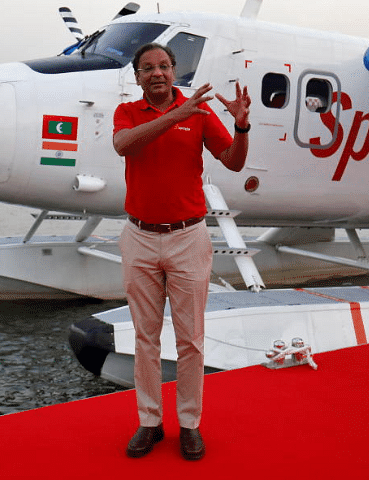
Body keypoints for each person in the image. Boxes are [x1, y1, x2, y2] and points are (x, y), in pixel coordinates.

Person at [112, 42, 250, 461]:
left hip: (188, 237)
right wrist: (176, 116)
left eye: (165, 66)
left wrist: (242, 128)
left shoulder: (201, 113)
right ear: (137, 77)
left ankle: (189, 424)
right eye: (148, 68)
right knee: (146, 337)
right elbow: (124, 145)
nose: (157, 73)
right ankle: (150, 422)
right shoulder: (129, 113)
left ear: (175, 72)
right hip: (139, 236)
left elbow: (233, 161)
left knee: (191, 339)